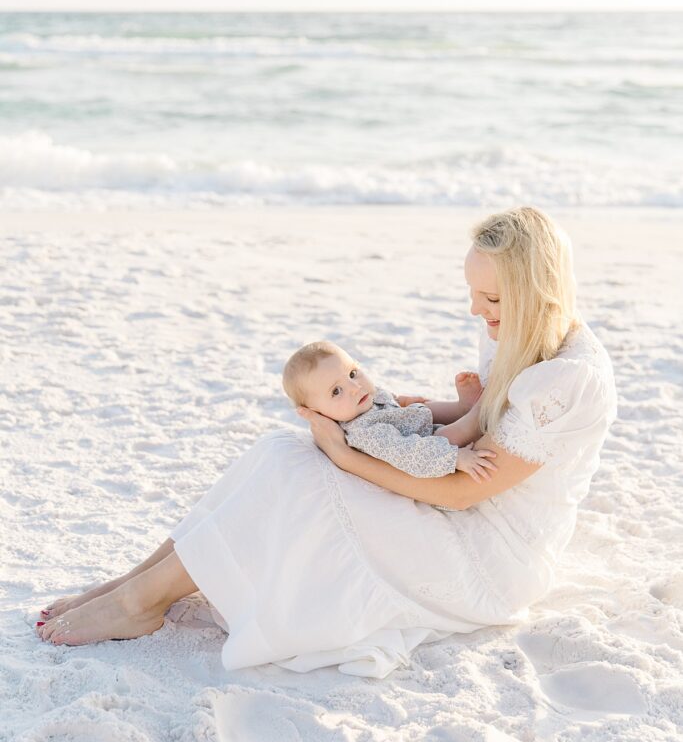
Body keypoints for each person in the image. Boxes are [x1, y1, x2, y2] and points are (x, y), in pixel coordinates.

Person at [37, 206, 617, 680]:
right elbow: (479, 417)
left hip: (487, 554)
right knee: (278, 451)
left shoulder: (567, 380)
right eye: (474, 293)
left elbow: (463, 494)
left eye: (490, 299)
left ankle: (140, 603)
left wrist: (344, 455)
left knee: (302, 472)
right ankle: (136, 583)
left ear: (536, 290)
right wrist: (401, 414)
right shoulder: (514, 328)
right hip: (452, 498)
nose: (475, 310)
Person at [282, 339, 497, 481]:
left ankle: (462, 407)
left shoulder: (361, 401)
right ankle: (476, 418)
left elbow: (390, 400)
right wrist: (455, 458)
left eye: (352, 373)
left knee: (423, 408)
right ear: (315, 412)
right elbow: (409, 453)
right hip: (425, 452)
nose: (355, 388)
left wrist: (403, 401)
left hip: (413, 423)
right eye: (336, 391)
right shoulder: (365, 433)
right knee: (442, 434)